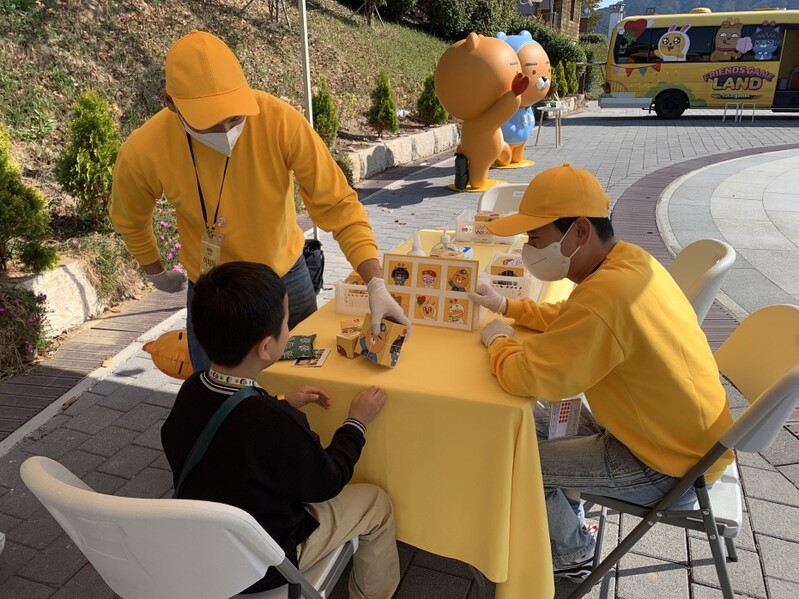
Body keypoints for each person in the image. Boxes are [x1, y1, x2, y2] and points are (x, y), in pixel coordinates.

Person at [468, 164, 734, 582]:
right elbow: (575, 316)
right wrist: (509, 307)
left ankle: (571, 553)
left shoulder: (606, 295)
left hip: (666, 465)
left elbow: (527, 377)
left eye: (535, 238)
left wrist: (499, 341)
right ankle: (567, 513)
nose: (529, 248)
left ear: (578, 231)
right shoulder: (629, 261)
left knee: (512, 460)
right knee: (520, 425)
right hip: (675, 438)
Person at [110, 30, 409, 371]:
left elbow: (338, 205)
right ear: (170, 102)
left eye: (235, 117)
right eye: (209, 123)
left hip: (285, 275)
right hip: (214, 289)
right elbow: (130, 217)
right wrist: (155, 272)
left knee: (303, 376)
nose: (226, 131)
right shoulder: (144, 149)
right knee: (217, 388)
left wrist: (375, 282)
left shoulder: (280, 121)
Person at [161, 261, 400, 598]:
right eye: (287, 323)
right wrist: (356, 422)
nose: (289, 329)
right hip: (266, 562)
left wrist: (281, 400)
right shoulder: (275, 422)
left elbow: (231, 429)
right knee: (377, 503)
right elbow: (327, 482)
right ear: (266, 348)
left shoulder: (193, 388)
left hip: (205, 543)